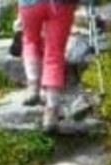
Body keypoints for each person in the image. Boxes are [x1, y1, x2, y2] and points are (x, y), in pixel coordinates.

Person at [17, 0, 77, 130]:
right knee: (55, 54)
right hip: (61, 4)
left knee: (30, 40)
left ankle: (33, 85)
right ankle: (51, 111)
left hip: (30, 4)